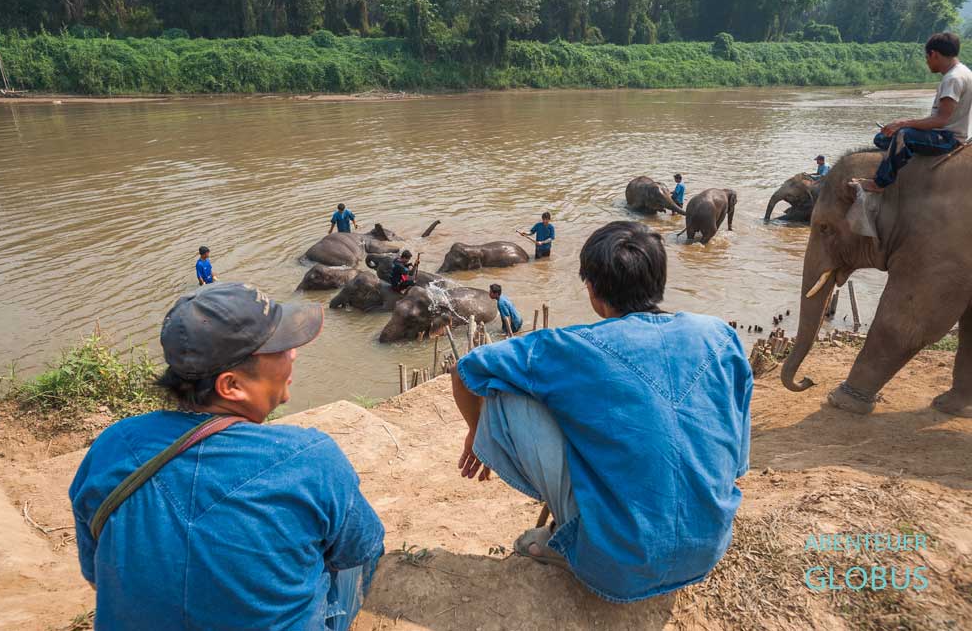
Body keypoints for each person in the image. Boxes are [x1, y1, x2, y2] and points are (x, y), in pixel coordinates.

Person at [450, 221, 752, 603]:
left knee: (502, 391)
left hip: (615, 571)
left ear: (592, 291)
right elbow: (737, 463)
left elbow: (466, 371)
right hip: (707, 549)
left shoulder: (570, 346)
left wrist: (475, 430)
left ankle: (568, 546)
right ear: (659, 280)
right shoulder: (719, 336)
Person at [69, 283, 383, 631]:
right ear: (231, 386)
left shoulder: (114, 444)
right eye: (280, 349)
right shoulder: (309, 459)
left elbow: (95, 576)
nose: (293, 354)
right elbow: (361, 549)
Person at [850, 32, 972, 194]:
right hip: (943, 133)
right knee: (881, 138)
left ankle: (879, 183)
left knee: (903, 135)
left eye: (927, 57)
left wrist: (902, 124)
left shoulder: (953, 78)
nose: (927, 62)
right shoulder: (964, 72)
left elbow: (941, 120)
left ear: (934, 54)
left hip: (947, 138)